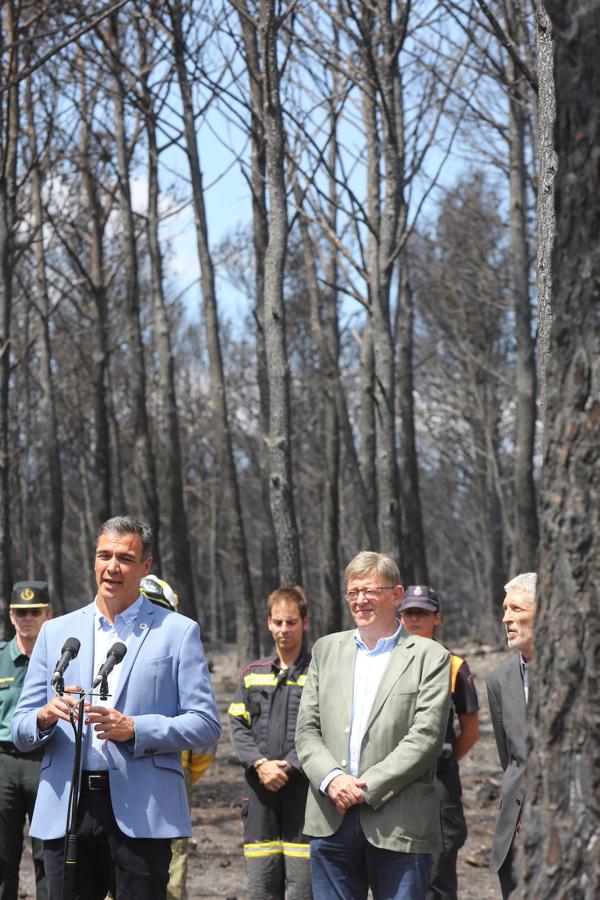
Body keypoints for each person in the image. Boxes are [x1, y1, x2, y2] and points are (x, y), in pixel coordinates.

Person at [12, 515, 221, 900]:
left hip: (143, 811)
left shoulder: (177, 632)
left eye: (125, 558)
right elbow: (19, 726)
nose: (112, 567)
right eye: (103, 555)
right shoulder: (57, 633)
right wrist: (44, 716)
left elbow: (206, 724)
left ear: (146, 566)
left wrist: (136, 729)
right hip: (68, 811)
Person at [296, 551, 451, 900]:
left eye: (370, 590)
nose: (360, 600)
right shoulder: (325, 650)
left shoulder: (430, 656)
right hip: (330, 816)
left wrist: (365, 788)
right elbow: (306, 729)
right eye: (353, 592)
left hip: (399, 822)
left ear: (397, 595)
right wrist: (333, 780)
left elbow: (425, 739)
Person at [228, 585, 312, 900]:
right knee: (261, 886)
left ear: (305, 622)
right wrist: (260, 764)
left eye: (291, 622)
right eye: (278, 622)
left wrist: (290, 764)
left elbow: (322, 728)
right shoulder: (252, 675)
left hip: (304, 795)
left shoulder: (318, 673)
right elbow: (237, 724)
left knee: (302, 887)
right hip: (259, 793)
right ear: (268, 623)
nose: (284, 629)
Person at [399, 586, 480, 900]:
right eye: (409, 612)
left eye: (423, 613)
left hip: (439, 782)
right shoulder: (385, 663)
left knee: (438, 877)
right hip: (394, 784)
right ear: (400, 616)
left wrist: (442, 760)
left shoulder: (454, 666)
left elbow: (471, 732)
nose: (415, 619)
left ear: (438, 618)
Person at [139, 574, 217, 900]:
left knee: (172, 859)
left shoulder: (180, 647)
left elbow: (203, 725)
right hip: (115, 772)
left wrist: (188, 770)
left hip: (170, 768)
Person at [486, 572, 537, 899]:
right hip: (516, 838)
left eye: (517, 609)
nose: (506, 618)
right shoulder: (498, 680)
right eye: (505, 609)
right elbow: (512, 761)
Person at [0, 581, 52, 900]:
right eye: (21, 612)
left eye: (34, 611)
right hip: (4, 762)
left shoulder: (63, 660)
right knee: (3, 852)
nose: (27, 618)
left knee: (48, 853)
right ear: (11, 615)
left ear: (49, 614)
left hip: (46, 760)